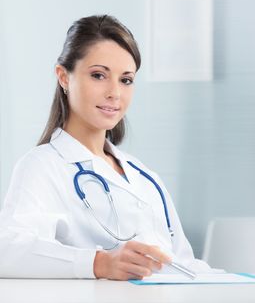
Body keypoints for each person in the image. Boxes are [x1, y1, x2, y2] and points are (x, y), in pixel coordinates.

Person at [0, 15, 213, 280]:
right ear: (63, 77)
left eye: (126, 80)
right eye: (99, 75)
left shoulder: (144, 177)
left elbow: (183, 263)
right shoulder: (42, 167)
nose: (115, 92)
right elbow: (8, 251)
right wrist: (99, 263)